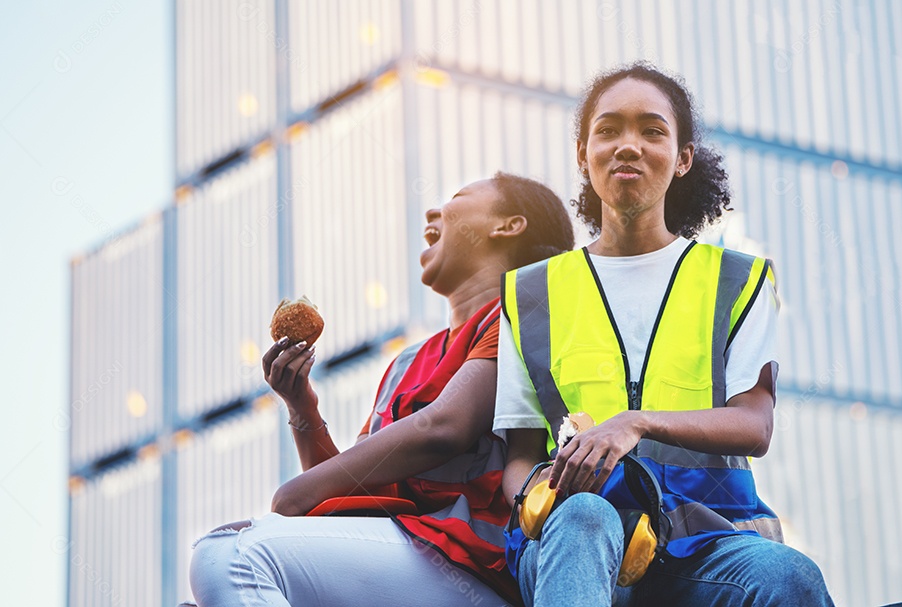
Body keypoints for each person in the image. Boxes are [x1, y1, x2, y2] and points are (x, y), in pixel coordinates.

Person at [495, 63, 835, 606]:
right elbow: (518, 454)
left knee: (788, 576)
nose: (628, 145)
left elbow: (755, 423)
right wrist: (540, 496)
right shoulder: (529, 294)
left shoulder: (738, 280)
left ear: (682, 158)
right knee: (584, 516)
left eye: (652, 130)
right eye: (608, 130)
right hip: (576, 546)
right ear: (583, 154)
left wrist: (636, 422)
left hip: (707, 541)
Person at [188, 173, 575, 607]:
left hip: (474, 566)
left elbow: (445, 427)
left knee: (231, 556)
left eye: (458, 197)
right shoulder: (407, 362)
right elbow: (350, 491)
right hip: (403, 554)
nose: (431, 212)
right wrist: (302, 408)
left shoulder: (520, 316)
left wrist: (295, 493)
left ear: (507, 226)